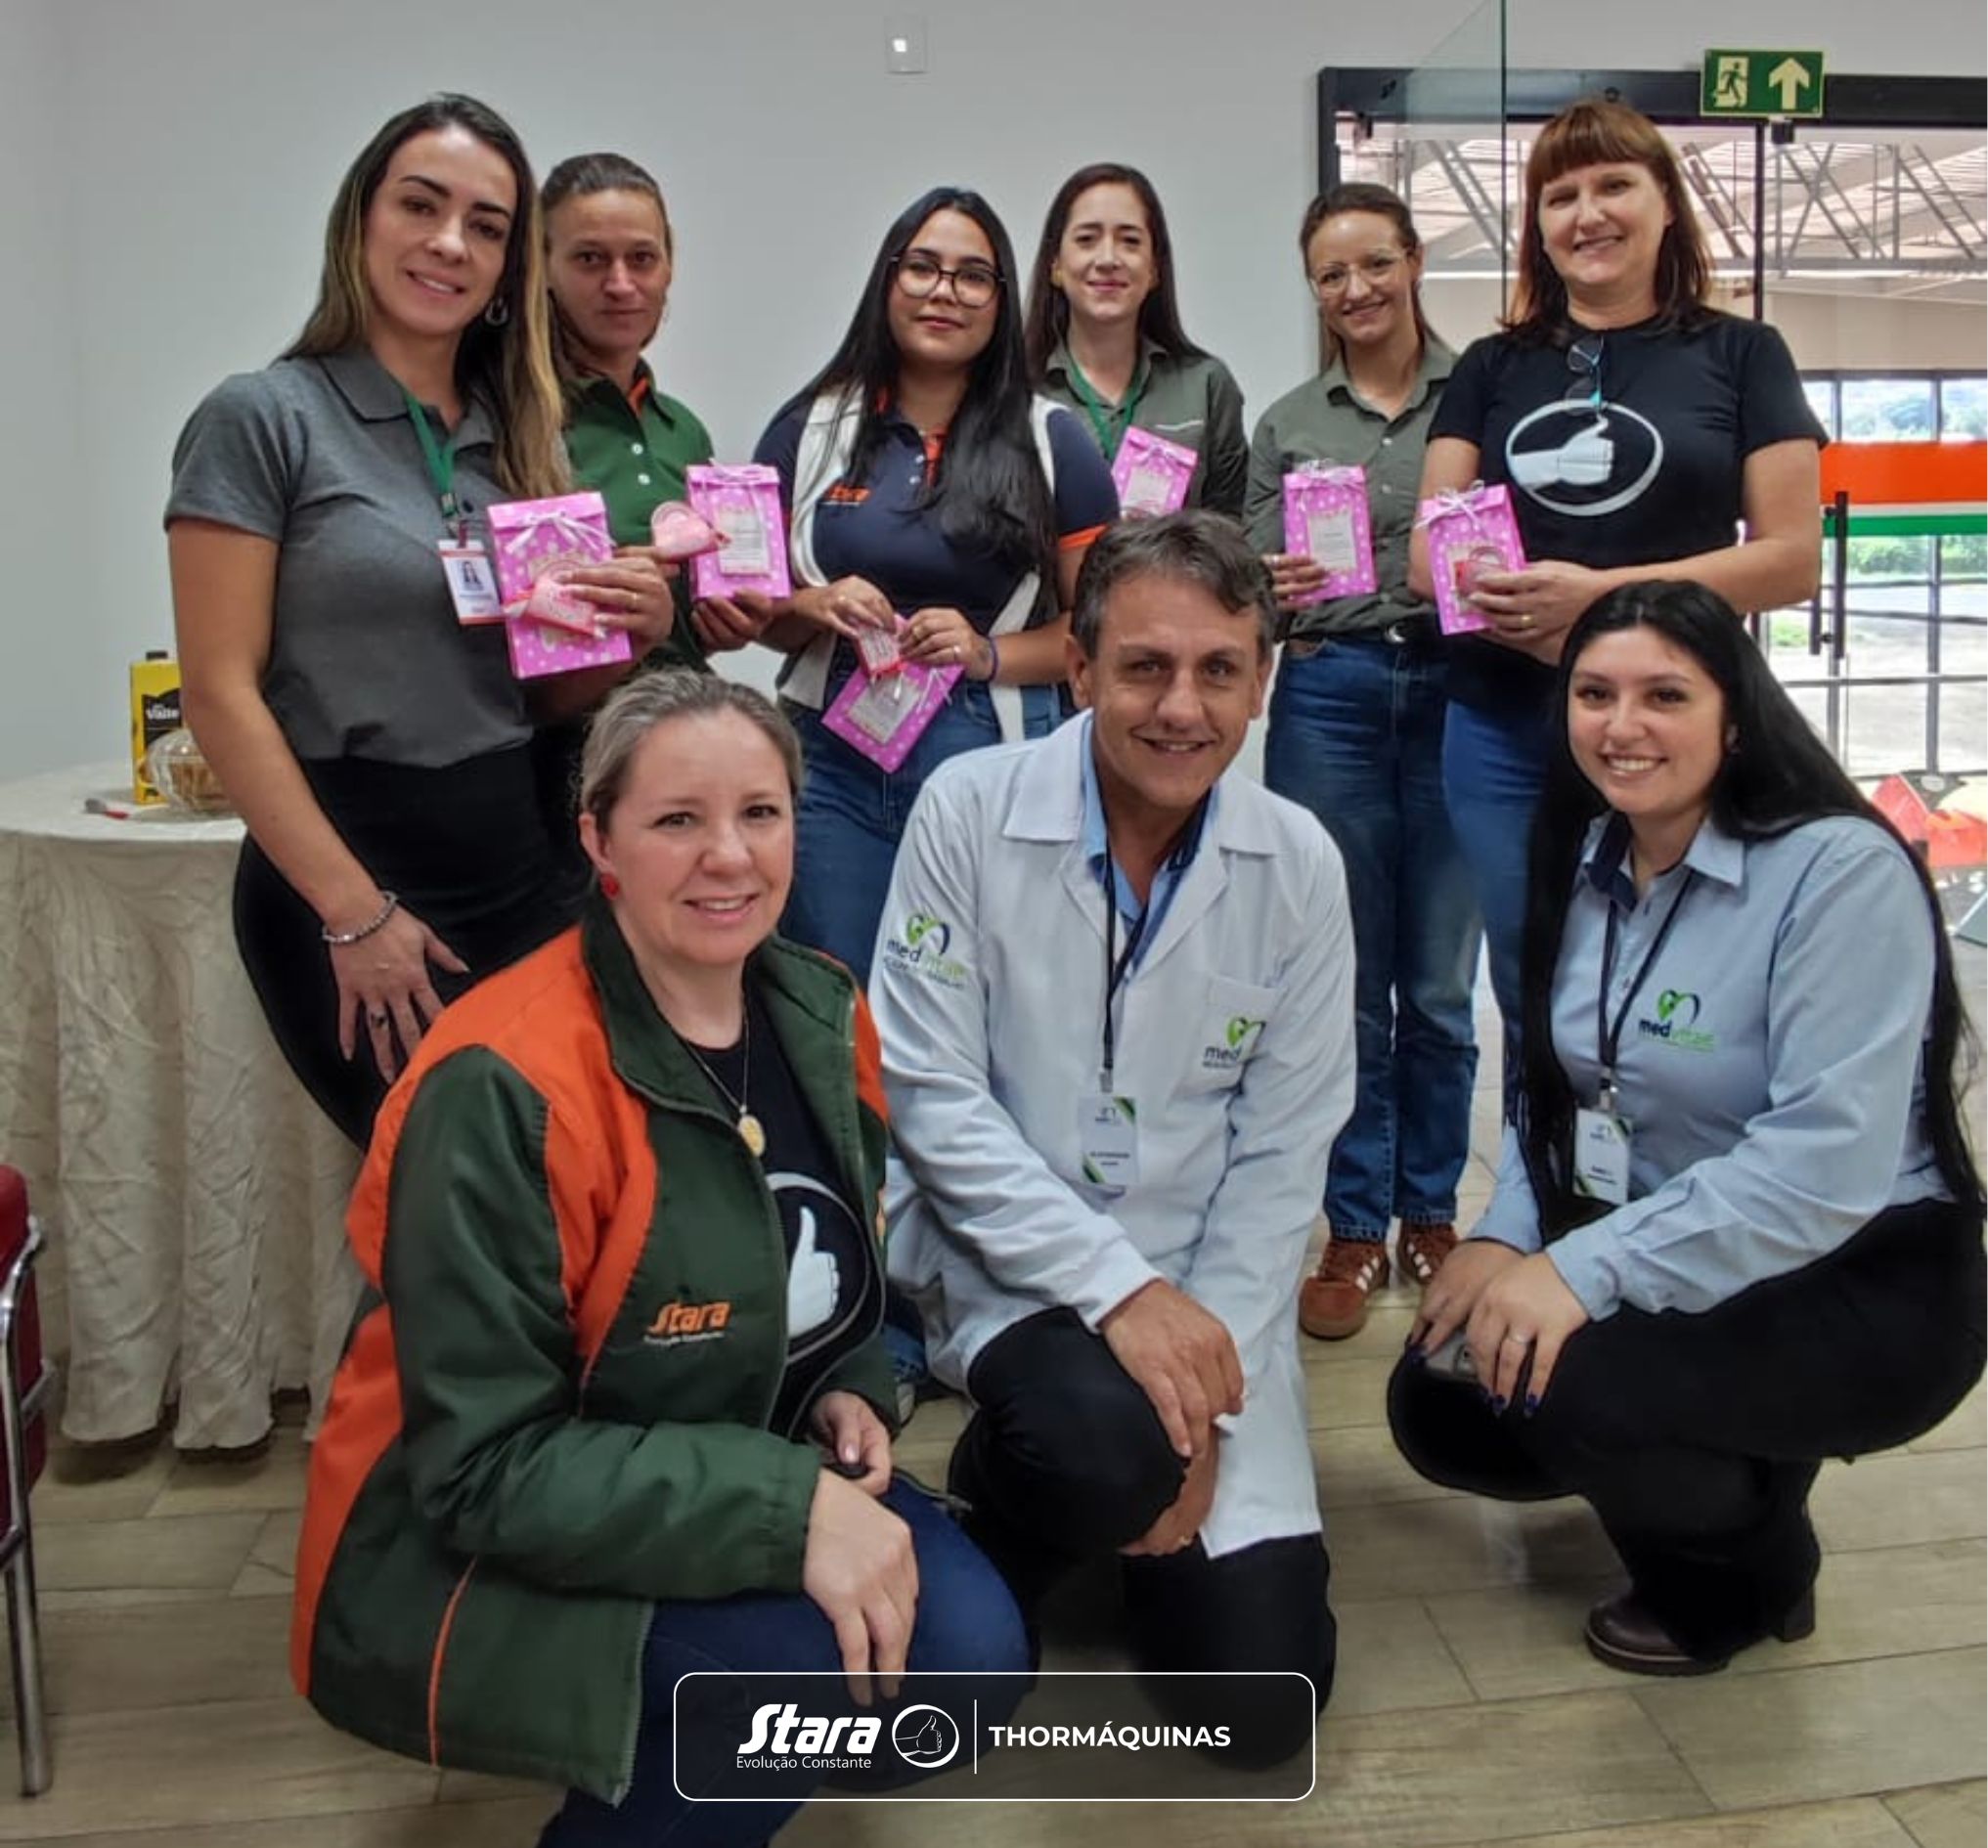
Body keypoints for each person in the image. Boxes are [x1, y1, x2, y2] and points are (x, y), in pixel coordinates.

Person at [291, 671, 1030, 1847]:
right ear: (599, 841)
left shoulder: (819, 1007)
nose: (728, 857)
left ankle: (671, 1756)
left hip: (711, 1453)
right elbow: (480, 1470)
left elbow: (822, 1261)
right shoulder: (501, 1083)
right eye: (677, 820)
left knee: (967, 1668)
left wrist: (843, 1387)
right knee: (780, 1692)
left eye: (760, 813)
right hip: (462, 1541)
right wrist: (787, 1509)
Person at [1389, 581, 1986, 1677]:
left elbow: (1820, 1167)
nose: (1621, 727)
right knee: (1438, 1399)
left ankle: (1748, 1575)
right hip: (1670, 1232)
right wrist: (1501, 1236)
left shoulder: (1837, 871)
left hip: (1858, 1271)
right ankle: (1731, 1446)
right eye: (1593, 694)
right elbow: (1555, 1095)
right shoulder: (1585, 858)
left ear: (1735, 714)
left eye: (1663, 694)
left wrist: (1576, 1276)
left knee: (1562, 1378)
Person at [874, 513, 1357, 1760]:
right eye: (1143, 666)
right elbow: (931, 1100)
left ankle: (1123, 1491)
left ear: (1262, 678)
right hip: (1015, 1263)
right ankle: (1026, 1480)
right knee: (1097, 1450)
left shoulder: (1297, 861)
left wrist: (1196, 1401)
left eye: (1218, 669)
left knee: (1265, 1707)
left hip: (1210, 1294)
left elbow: (1282, 1156)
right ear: (1079, 671)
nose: (1179, 707)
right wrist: (1112, 1289)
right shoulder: (966, 809)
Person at [167, 96, 677, 1145]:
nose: (450, 243)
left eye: (486, 226)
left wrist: (632, 629)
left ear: (507, 270)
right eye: (421, 205)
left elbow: (537, 695)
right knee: (440, 1196)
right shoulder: (263, 419)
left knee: (550, 1191)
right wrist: (356, 914)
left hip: (523, 855)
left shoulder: (520, 437)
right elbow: (219, 693)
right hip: (351, 872)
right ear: (361, 222)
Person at [1411, 98, 1825, 1058]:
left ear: (1665, 205)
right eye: (1559, 196)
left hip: (1672, 720)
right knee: (1529, 981)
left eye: (1612, 185)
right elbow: (1429, 552)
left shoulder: (1741, 354)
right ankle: (1541, 1190)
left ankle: (1664, 1189)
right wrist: (1523, 614)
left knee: (1672, 981)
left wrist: (1597, 606)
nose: (1585, 213)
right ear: (1537, 228)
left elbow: (1789, 557)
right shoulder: (1489, 364)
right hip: (1502, 724)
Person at [742, 186, 1119, 982]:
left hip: (987, 747)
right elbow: (754, 611)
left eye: (973, 276)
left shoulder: (1052, 438)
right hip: (829, 758)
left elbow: (1102, 639)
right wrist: (813, 603)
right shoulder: (811, 426)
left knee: (972, 997)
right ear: (887, 283)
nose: (944, 291)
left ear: (1000, 299)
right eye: (922, 268)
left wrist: (983, 652)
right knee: (833, 998)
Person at [1246, 183, 1480, 1342]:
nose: (1352, 291)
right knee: (1337, 985)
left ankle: (1430, 1211)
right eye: (1329, 276)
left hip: (1457, 688)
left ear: (1411, 261)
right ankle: (1348, 1223)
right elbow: (1242, 576)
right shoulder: (1288, 420)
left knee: (1436, 982)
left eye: (1370, 265)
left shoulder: (1478, 393)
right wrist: (1270, 586)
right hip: (1328, 694)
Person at [535, 152, 769, 855]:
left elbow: (693, 620)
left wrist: (721, 622)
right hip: (562, 770)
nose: (620, 284)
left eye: (642, 258)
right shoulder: (515, 420)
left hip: (680, 753)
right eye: (589, 259)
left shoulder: (681, 429)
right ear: (541, 270)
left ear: (670, 270)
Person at [1025, 162, 1248, 517]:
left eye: (1130, 241)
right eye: (1086, 240)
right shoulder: (1015, 389)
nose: (1108, 259)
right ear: (1056, 265)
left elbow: (1237, 529)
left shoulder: (1205, 385)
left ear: (1155, 268)